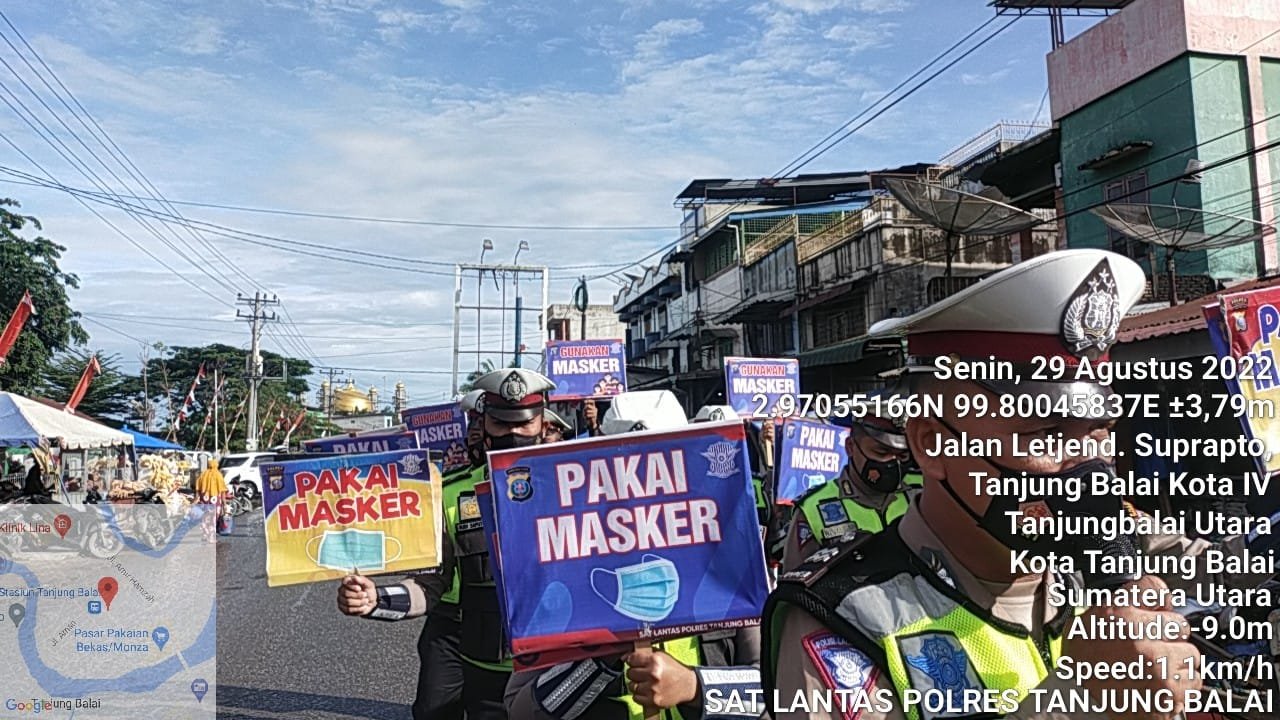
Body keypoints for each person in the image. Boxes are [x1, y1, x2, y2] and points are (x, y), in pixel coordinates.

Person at [762, 249, 1277, 720]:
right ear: (931, 445)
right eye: (1045, 434)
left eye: (1099, 434)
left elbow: (1212, 561)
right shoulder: (843, 621)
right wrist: (1078, 701)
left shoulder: (1095, 555)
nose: (1087, 472)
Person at [505, 391, 765, 720]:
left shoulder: (728, 562)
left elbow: (780, 692)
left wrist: (695, 687)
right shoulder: (559, 571)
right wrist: (601, 659)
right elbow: (521, 710)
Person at [338, 368, 560, 720]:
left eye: (524, 424)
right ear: (484, 428)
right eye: (502, 424)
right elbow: (432, 583)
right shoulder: (451, 495)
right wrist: (376, 599)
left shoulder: (575, 486)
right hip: (481, 670)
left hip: (554, 669)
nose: (513, 433)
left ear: (542, 425)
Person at [779, 392, 923, 572]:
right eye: (881, 453)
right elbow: (795, 592)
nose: (892, 463)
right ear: (851, 447)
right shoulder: (813, 509)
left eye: (902, 456)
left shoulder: (923, 494)